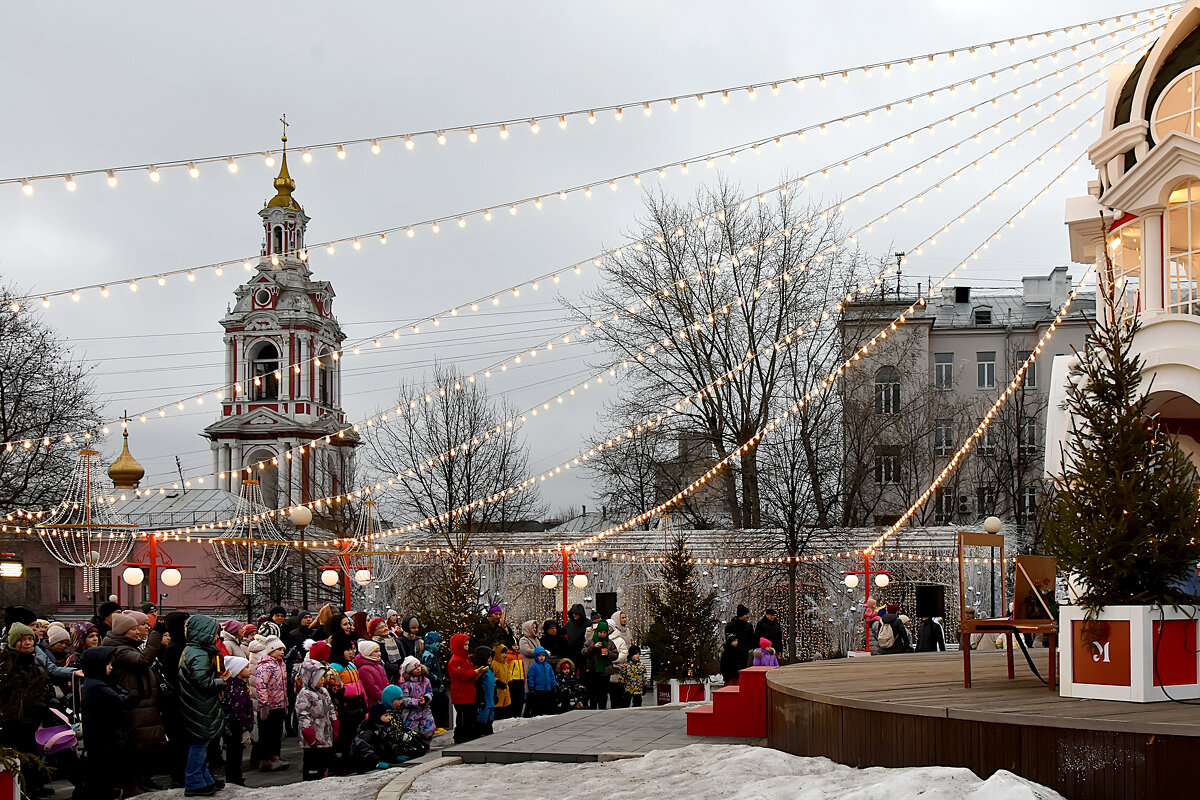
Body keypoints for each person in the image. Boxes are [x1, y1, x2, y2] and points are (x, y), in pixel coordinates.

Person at [103, 611, 167, 793]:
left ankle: (141, 783)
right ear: (123, 632)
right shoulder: (120, 650)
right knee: (134, 748)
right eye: (133, 629)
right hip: (133, 703)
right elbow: (144, 660)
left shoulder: (128, 646)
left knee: (141, 748)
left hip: (141, 701)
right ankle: (132, 786)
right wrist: (156, 634)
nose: (138, 632)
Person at [178, 614, 226, 797]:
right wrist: (221, 682)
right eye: (214, 633)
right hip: (200, 704)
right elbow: (202, 681)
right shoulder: (199, 653)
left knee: (202, 743)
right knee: (200, 743)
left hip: (196, 703)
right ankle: (194, 782)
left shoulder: (192, 650)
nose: (216, 637)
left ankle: (205, 779)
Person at [79, 645, 134, 800]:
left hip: (104, 737)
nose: (111, 667)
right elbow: (121, 699)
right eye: (107, 664)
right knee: (102, 777)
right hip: (103, 739)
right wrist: (125, 697)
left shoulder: (99, 681)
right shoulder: (96, 686)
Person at [1, 622, 49, 797]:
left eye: (30, 639)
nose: (28, 643)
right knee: (21, 754)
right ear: (13, 643)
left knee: (32, 752)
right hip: (17, 719)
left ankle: (34, 785)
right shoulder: (9, 664)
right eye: (23, 640)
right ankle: (22, 790)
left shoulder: (36, 661)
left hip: (34, 717)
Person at [328, 635, 366, 773]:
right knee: (344, 736)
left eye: (352, 649)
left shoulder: (352, 665)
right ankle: (342, 764)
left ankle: (355, 759)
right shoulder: (334, 667)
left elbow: (359, 685)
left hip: (357, 703)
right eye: (347, 649)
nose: (351, 652)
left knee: (356, 734)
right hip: (344, 705)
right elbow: (335, 689)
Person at [295, 658, 337, 782]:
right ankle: (310, 780)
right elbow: (303, 715)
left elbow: (330, 708)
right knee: (312, 762)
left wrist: (334, 723)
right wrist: (308, 734)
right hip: (312, 736)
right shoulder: (305, 694)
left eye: (323, 677)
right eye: (319, 678)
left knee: (325, 759)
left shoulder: (324, 691)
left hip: (325, 733)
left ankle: (322, 777)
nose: (323, 680)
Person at [253, 636, 289, 771]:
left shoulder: (281, 665)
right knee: (266, 735)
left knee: (276, 734)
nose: (282, 652)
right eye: (279, 649)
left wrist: (285, 703)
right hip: (269, 707)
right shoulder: (266, 666)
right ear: (271, 650)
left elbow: (284, 687)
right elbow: (261, 686)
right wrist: (264, 704)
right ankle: (265, 761)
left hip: (280, 705)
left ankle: (275, 758)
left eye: (283, 649)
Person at [221, 656, 254, 786]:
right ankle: (234, 778)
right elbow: (238, 711)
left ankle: (235, 777)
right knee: (234, 754)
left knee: (235, 753)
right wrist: (244, 728)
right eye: (246, 667)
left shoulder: (239, 686)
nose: (249, 669)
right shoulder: (237, 690)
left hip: (235, 726)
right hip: (236, 727)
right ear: (238, 670)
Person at [448, 633, 484, 744]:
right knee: (462, 717)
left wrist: (477, 672)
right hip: (461, 694)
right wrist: (474, 673)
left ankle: (470, 734)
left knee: (470, 715)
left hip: (468, 692)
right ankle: (460, 736)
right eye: (465, 645)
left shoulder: (466, 658)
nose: (467, 647)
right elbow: (461, 675)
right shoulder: (456, 660)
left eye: (468, 645)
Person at [397, 656, 435, 754]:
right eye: (415, 668)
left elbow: (430, 692)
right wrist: (416, 701)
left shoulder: (425, 681)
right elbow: (404, 699)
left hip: (425, 709)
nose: (418, 669)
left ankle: (426, 745)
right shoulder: (405, 684)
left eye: (419, 666)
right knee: (413, 730)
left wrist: (426, 698)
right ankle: (415, 748)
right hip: (411, 712)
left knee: (428, 728)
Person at [582, 620, 617, 709]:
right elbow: (584, 652)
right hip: (593, 670)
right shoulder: (591, 641)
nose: (602, 634)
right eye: (601, 632)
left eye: (604, 632)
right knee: (593, 692)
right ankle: (593, 709)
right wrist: (593, 647)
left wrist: (608, 653)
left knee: (603, 693)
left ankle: (602, 708)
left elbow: (615, 655)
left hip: (605, 671)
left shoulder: (610, 643)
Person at [421, 631, 449, 731]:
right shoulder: (428, 655)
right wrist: (435, 678)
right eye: (437, 642)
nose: (438, 645)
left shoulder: (435, 655)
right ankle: (436, 725)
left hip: (439, 686)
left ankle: (440, 724)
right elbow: (426, 670)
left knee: (443, 702)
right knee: (437, 705)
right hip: (433, 687)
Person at [603, 611, 631, 708]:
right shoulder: (604, 638)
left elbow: (625, 651)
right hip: (609, 668)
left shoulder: (625, 633)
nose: (624, 620)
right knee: (613, 692)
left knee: (621, 691)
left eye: (625, 617)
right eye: (622, 618)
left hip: (622, 666)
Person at [524, 646, 557, 716]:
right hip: (538, 689)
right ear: (536, 656)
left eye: (543, 655)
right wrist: (531, 688)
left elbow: (552, 676)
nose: (542, 657)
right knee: (538, 703)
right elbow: (531, 678)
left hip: (547, 689)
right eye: (539, 656)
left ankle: (547, 710)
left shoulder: (548, 666)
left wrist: (554, 685)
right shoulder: (533, 667)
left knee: (547, 702)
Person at [355, 639, 389, 707]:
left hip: (384, 700)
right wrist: (384, 698)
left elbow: (386, 682)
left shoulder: (379, 666)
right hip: (374, 703)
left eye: (379, 651)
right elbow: (372, 688)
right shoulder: (364, 669)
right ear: (368, 653)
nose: (379, 653)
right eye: (376, 651)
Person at [724, 604, 754, 672]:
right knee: (732, 671)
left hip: (744, 653)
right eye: (746, 614)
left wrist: (748, 647)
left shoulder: (749, 626)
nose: (748, 616)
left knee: (742, 670)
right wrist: (733, 642)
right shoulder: (731, 625)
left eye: (748, 614)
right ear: (741, 615)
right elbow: (729, 636)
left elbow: (752, 638)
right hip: (732, 653)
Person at [473, 646, 496, 736]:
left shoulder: (490, 670)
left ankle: (488, 732)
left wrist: (495, 695)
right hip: (484, 701)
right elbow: (478, 687)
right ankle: (481, 733)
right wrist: (481, 699)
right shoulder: (481, 671)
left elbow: (493, 685)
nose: (490, 659)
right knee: (483, 718)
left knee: (490, 717)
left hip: (490, 701)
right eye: (488, 656)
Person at [490, 644, 513, 718]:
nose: (504, 655)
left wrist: (510, 681)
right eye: (502, 653)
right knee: (499, 703)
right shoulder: (494, 664)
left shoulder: (505, 664)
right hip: (499, 688)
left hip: (505, 687)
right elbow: (492, 675)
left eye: (505, 653)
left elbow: (508, 674)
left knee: (506, 703)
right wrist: (497, 682)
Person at [562, 603, 589, 668]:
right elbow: (562, 631)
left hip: (583, 654)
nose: (574, 615)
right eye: (573, 613)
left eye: (576, 613)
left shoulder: (588, 623)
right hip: (571, 653)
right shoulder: (570, 623)